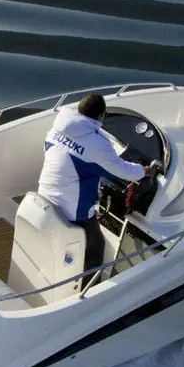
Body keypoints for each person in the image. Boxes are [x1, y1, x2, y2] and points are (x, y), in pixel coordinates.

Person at [37, 93, 153, 284]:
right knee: (96, 245)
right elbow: (122, 171)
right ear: (101, 115)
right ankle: (89, 290)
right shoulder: (96, 143)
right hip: (73, 212)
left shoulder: (56, 129)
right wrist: (145, 171)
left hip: (45, 198)